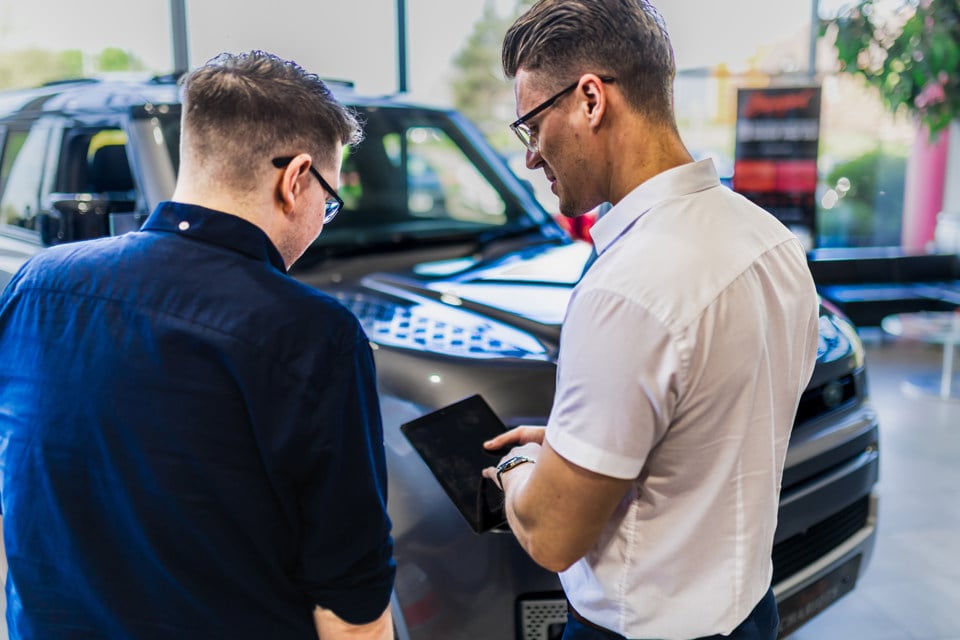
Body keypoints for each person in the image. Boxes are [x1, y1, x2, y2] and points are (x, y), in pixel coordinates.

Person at [0, 51, 394, 639]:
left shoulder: (37, 283)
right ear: (295, 180)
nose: (321, 218)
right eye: (328, 202)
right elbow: (351, 609)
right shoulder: (312, 332)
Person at [482, 2, 820, 639]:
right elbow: (709, 435)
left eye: (531, 125)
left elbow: (553, 537)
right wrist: (571, 446)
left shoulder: (628, 287)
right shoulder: (771, 242)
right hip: (751, 612)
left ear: (590, 99)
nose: (531, 157)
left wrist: (516, 472)